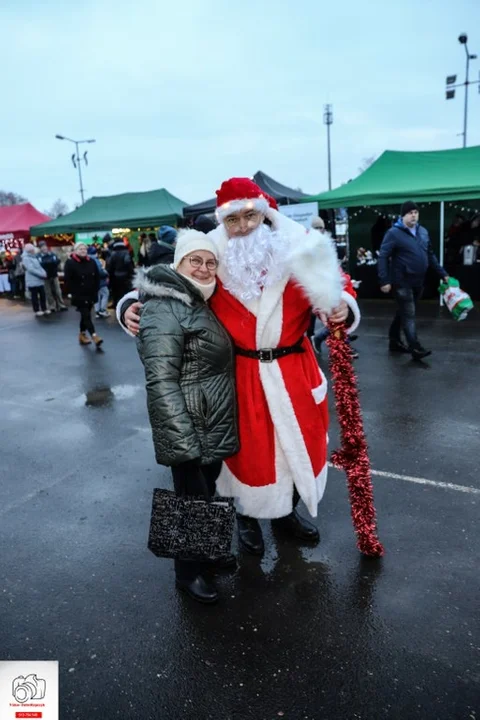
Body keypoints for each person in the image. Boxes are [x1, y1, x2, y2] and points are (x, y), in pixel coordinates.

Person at [118, 177, 359, 556]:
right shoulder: (209, 254)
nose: (244, 226)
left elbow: (338, 284)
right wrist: (131, 304)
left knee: (296, 448)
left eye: (250, 216)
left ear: (264, 212)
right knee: (240, 456)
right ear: (222, 222)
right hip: (236, 375)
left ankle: (284, 514)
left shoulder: (300, 248)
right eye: (233, 220)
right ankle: (239, 524)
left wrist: (343, 302)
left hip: (294, 370)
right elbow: (170, 279)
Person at [137, 230, 239, 604]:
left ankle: (207, 553)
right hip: (188, 425)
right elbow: (160, 379)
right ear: (178, 262)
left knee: (205, 492)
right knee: (190, 498)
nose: (203, 267)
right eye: (195, 260)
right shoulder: (164, 305)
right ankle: (188, 573)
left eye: (210, 262)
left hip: (208, 420)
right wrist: (179, 438)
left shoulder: (197, 300)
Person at [378, 201, 449, 361]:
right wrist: (384, 280)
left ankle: (394, 340)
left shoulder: (422, 232)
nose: (414, 215)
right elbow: (383, 256)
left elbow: (430, 255)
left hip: (418, 281)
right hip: (401, 281)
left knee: (403, 312)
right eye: (410, 213)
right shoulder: (394, 233)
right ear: (403, 215)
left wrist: (443, 274)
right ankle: (415, 347)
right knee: (409, 314)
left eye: (416, 212)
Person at [63, 242, 103, 347]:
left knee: (85, 315)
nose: (83, 251)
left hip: (91, 293)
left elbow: (97, 277)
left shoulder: (92, 262)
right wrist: (71, 292)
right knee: (86, 315)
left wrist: (96, 289)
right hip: (79, 294)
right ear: (75, 251)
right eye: (80, 249)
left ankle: (82, 334)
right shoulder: (70, 263)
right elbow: (68, 280)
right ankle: (94, 336)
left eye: (84, 249)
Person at [37, 241, 68, 313]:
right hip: (45, 276)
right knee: (48, 292)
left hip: (54, 275)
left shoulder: (52, 254)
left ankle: (61, 305)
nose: (44, 248)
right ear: (40, 248)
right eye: (42, 247)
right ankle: (52, 306)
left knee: (58, 291)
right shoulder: (38, 256)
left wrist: (51, 264)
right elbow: (40, 265)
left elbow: (57, 261)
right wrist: (50, 263)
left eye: (45, 246)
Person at [21, 244, 50, 317]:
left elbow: (39, 267)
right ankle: (37, 310)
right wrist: (42, 274)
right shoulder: (26, 258)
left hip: (39, 280)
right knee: (35, 296)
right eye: (32, 250)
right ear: (29, 251)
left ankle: (44, 308)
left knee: (42, 295)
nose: (34, 251)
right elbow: (31, 269)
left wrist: (44, 272)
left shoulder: (34, 257)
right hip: (32, 280)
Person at [106, 237, 134, 307]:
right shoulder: (126, 252)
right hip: (126, 277)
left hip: (115, 276)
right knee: (125, 292)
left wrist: (109, 275)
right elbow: (129, 264)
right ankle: (125, 305)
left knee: (116, 292)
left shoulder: (113, 253)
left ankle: (115, 304)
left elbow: (110, 266)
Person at [86, 245, 110, 318]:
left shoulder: (87, 260)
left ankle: (97, 311)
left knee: (97, 296)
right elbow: (100, 271)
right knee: (105, 294)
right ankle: (102, 310)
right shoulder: (96, 261)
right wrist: (106, 273)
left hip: (92, 282)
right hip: (100, 281)